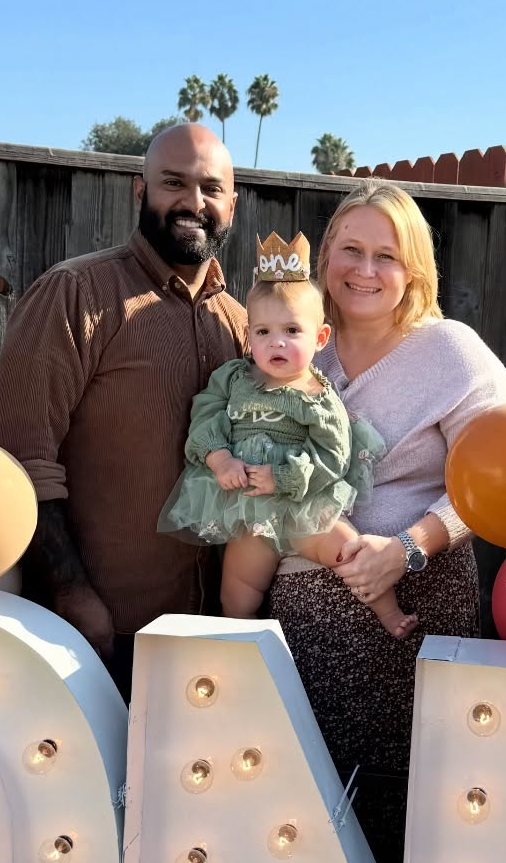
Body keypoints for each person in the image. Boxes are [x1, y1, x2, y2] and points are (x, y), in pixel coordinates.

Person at [266, 182, 506, 806]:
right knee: (303, 803)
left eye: (387, 256)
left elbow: (497, 483)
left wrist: (407, 548)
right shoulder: (292, 341)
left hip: (418, 606)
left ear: (415, 270)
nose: (365, 270)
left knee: (412, 801)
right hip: (304, 615)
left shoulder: (452, 353)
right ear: (327, 253)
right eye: (352, 249)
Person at [0, 122, 245, 696]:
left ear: (232, 203)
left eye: (210, 188)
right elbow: (19, 461)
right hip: (96, 636)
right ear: (140, 190)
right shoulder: (74, 293)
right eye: (173, 182)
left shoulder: (244, 323)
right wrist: (71, 594)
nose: (193, 202)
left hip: (211, 641)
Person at [159, 232, 409, 634]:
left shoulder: (318, 396)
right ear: (249, 335)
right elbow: (204, 414)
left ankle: (390, 613)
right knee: (236, 592)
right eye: (263, 332)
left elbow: (333, 453)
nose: (276, 342)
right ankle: (239, 643)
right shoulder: (233, 379)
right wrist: (219, 458)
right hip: (250, 512)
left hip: (305, 507)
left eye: (292, 331)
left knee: (351, 552)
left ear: (320, 338)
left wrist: (284, 477)